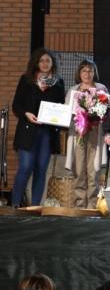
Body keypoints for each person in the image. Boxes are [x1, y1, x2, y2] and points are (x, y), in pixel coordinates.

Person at [11, 47, 65, 207]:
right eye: (42, 60)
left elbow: (60, 106)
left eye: (48, 60)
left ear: (52, 63)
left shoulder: (58, 82)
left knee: (41, 170)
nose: (45, 63)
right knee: (25, 167)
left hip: (47, 133)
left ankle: (35, 207)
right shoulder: (26, 80)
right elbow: (16, 105)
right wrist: (26, 114)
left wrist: (58, 116)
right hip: (27, 131)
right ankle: (15, 205)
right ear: (36, 63)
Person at [64, 59, 109, 209]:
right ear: (79, 73)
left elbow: (107, 111)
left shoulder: (101, 88)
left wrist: (96, 114)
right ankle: (79, 206)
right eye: (84, 70)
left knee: (93, 172)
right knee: (78, 171)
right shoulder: (73, 90)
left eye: (90, 70)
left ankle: (91, 206)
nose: (87, 73)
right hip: (78, 134)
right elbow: (66, 113)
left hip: (95, 134)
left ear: (94, 72)